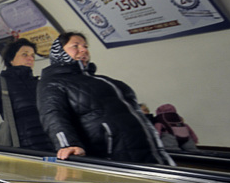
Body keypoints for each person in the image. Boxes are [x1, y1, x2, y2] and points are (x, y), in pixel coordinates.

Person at [37, 32, 172, 164]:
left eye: (85, 46)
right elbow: (53, 114)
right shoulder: (53, 82)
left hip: (152, 150)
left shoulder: (106, 80)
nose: (83, 50)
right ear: (59, 52)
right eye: (76, 46)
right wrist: (67, 144)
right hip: (111, 154)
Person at [0, 38, 53, 151]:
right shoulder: (0, 82)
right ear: (11, 59)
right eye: (25, 54)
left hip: (50, 142)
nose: (30, 58)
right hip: (21, 145)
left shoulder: (39, 82)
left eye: (33, 55)